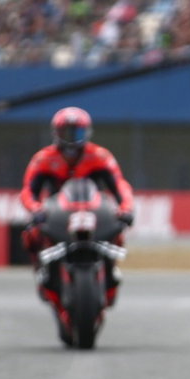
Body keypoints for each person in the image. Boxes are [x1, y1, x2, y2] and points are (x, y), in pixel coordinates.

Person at [19, 106, 135, 313]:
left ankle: (112, 268)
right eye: (66, 132)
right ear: (56, 133)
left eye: (77, 132)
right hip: (57, 215)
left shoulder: (100, 156)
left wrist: (126, 208)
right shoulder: (43, 159)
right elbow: (28, 190)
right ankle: (40, 270)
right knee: (31, 233)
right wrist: (35, 209)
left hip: (93, 213)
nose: (72, 138)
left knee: (118, 227)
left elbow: (119, 185)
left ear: (87, 132)